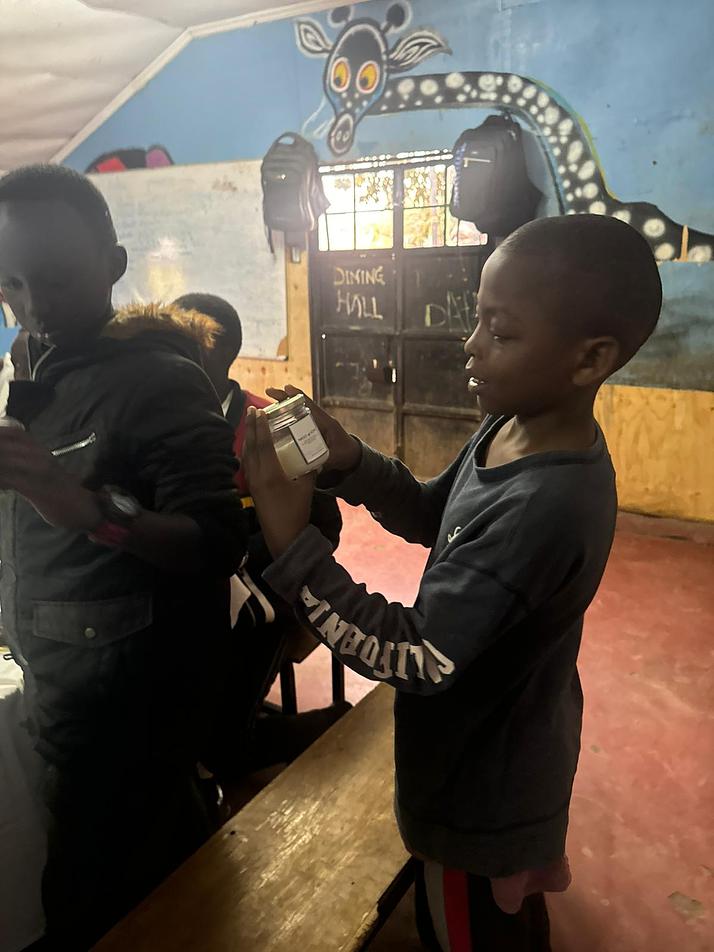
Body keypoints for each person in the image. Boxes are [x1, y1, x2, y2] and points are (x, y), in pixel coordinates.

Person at [242, 214, 662, 951]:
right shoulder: (513, 427)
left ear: (589, 358)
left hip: (481, 796)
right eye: (477, 319)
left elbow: (416, 655)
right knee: (500, 920)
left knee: (469, 929)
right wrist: (349, 462)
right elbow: (435, 512)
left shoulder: (547, 506)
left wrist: (290, 543)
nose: (470, 345)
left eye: (500, 332)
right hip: (493, 751)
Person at [0, 165, 247, 949]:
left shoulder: (159, 380)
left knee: (97, 900)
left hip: (125, 702)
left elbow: (216, 540)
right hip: (59, 672)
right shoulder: (31, 363)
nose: (33, 306)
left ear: (113, 264)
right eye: (10, 284)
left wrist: (88, 509)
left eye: (56, 279)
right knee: (135, 873)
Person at [172, 292, 347, 778]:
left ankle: (327, 725)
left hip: (264, 600)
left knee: (219, 750)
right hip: (190, 598)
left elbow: (326, 527)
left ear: (210, 352)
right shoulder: (162, 428)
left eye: (173, 348)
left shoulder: (276, 424)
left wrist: (245, 565)